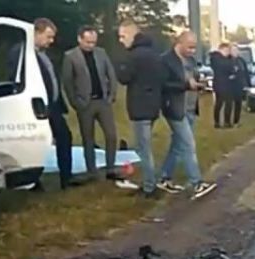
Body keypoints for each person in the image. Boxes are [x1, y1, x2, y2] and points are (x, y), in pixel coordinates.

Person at [61, 26, 124, 186]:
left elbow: (111, 74)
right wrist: (76, 103)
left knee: (111, 135)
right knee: (88, 138)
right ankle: (92, 170)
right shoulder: (70, 56)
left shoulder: (101, 53)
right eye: (88, 42)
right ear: (79, 39)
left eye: (93, 42)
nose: (91, 45)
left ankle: (110, 168)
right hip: (85, 104)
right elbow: (67, 83)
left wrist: (111, 95)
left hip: (103, 101)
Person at [159, 31, 218, 199]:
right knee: (188, 145)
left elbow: (194, 78)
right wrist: (185, 85)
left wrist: (200, 83)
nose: (193, 51)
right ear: (180, 43)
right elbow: (163, 85)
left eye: (194, 47)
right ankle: (197, 183)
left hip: (191, 107)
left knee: (178, 145)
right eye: (190, 47)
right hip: (175, 108)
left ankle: (164, 177)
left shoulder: (191, 61)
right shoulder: (165, 60)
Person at [117, 19, 166, 198]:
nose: (121, 40)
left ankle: (149, 186)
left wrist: (119, 66)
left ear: (132, 34)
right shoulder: (154, 53)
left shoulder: (133, 56)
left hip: (139, 107)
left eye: (123, 36)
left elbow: (124, 78)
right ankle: (149, 182)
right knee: (145, 146)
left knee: (143, 149)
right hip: (153, 105)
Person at [31, 18, 76, 189]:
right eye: (48, 36)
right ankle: (33, 181)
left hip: (53, 106)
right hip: (37, 107)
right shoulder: (24, 55)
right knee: (35, 143)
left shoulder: (44, 55)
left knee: (64, 136)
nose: (51, 41)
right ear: (37, 33)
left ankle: (66, 178)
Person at [210, 42, 236, 128]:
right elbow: (227, 67)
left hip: (227, 84)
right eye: (227, 50)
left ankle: (226, 122)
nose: (228, 52)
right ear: (222, 49)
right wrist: (230, 68)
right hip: (220, 84)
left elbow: (232, 69)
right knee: (219, 103)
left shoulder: (227, 59)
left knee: (228, 103)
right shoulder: (216, 58)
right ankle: (217, 122)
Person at [229, 44, 251, 127]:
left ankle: (236, 121)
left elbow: (246, 73)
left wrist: (248, 84)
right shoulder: (228, 61)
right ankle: (228, 121)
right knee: (230, 104)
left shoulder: (241, 60)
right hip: (230, 85)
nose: (235, 52)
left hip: (240, 85)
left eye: (236, 50)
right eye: (233, 50)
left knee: (238, 104)